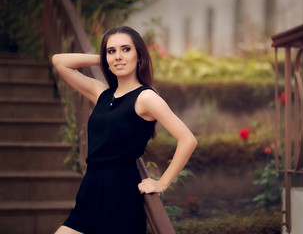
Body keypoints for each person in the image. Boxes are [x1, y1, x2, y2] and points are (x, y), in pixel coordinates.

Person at [52, 26, 197, 234]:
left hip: (120, 195)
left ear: (139, 56)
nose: (118, 57)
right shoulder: (102, 94)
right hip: (90, 191)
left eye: (126, 49)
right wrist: (104, 59)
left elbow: (188, 139)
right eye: (111, 51)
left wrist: (162, 183)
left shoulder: (146, 98)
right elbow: (59, 61)